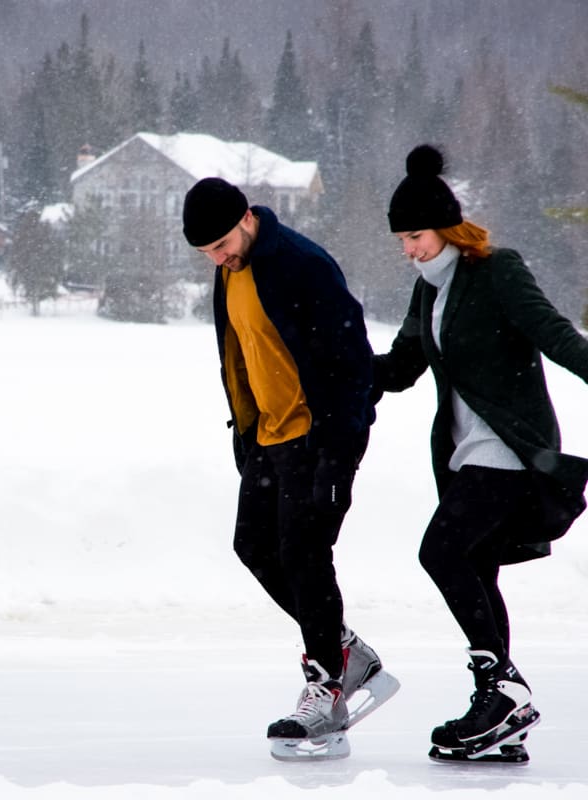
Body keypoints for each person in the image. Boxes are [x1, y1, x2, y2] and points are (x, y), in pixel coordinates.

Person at [373, 144, 588, 762]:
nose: (408, 249)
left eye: (415, 235)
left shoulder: (497, 270)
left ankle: (502, 690)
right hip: (467, 456)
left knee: (439, 551)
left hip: (512, 452)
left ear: (446, 228)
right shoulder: (428, 294)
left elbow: (554, 334)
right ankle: (499, 708)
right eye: (401, 240)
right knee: (476, 570)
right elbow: (399, 370)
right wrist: (327, 368)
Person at [182, 177, 399, 759]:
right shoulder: (229, 271)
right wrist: (245, 432)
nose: (217, 257)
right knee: (253, 546)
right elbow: (241, 353)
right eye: (205, 252)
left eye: (222, 243)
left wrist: (339, 448)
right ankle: (345, 651)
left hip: (319, 436)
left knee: (304, 552)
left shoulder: (302, 264)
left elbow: (352, 359)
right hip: (267, 438)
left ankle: (327, 682)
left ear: (247, 218)